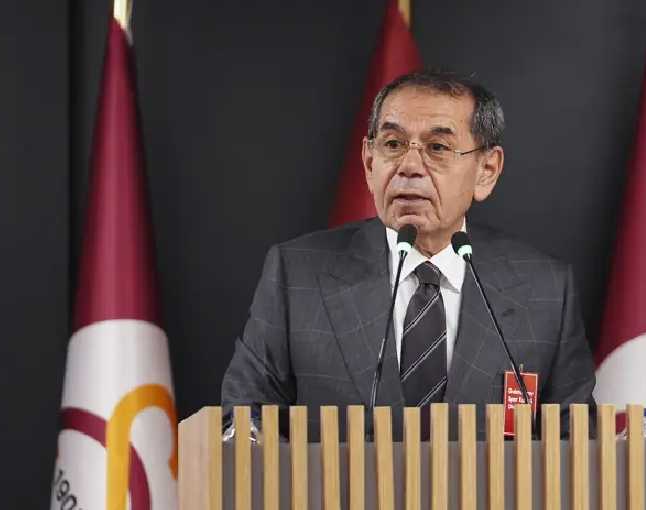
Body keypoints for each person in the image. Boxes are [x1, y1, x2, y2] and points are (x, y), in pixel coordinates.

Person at [222, 70, 594, 439]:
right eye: (393, 144)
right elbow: (242, 417)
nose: (410, 167)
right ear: (369, 163)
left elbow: (577, 443)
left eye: (438, 148)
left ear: (486, 170)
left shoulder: (545, 291)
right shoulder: (298, 275)